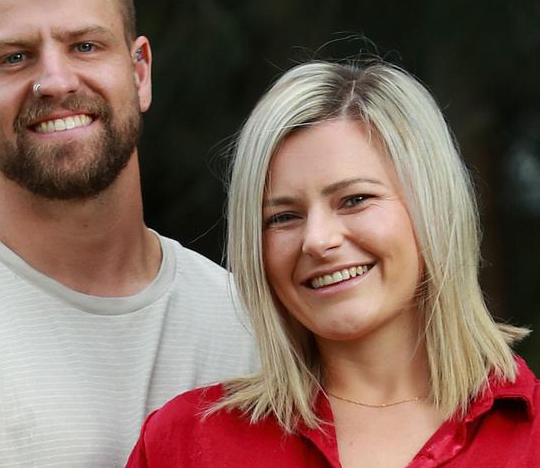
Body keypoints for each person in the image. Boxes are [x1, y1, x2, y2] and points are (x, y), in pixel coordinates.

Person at [0, 0, 257, 466]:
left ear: (140, 70)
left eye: (85, 46)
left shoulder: (248, 328)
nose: (57, 82)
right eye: (15, 58)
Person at [126, 60, 540, 467]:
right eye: (283, 217)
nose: (318, 240)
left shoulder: (530, 435)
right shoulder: (184, 445)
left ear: (431, 206)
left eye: (354, 200)